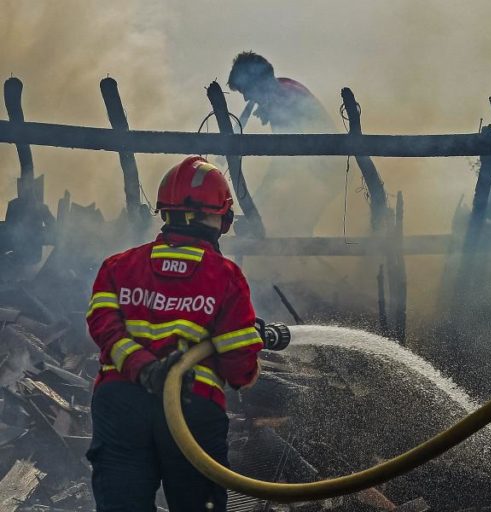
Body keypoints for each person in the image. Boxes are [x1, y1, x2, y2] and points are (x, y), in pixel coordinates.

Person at [86, 156, 263, 511]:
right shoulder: (225, 275)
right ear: (220, 218)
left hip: (121, 405)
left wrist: (143, 367)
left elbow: (103, 327)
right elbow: (240, 370)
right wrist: (250, 360)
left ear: (166, 213)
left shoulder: (118, 266)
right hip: (192, 408)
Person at [227, 52, 343, 236]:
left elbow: (282, 164)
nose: (246, 99)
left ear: (256, 83)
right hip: (320, 174)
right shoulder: (284, 90)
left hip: (326, 176)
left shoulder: (283, 100)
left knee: (296, 232)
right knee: (291, 229)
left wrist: (255, 202)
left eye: (245, 90)